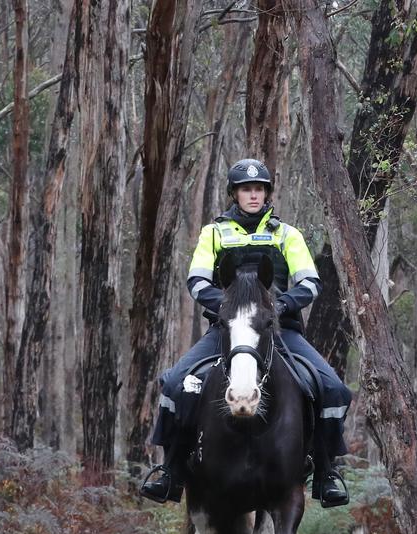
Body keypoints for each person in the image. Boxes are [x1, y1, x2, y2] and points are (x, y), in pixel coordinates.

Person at [139, 158, 351, 505]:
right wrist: (229, 308)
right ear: (234, 194)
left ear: (267, 193)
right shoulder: (214, 232)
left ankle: (326, 472)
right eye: (246, 189)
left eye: (259, 189)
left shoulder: (287, 234)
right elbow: (196, 281)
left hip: (281, 332)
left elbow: (311, 283)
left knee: (335, 390)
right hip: (226, 332)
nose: (253, 195)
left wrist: (277, 307)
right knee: (175, 385)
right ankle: (171, 471)